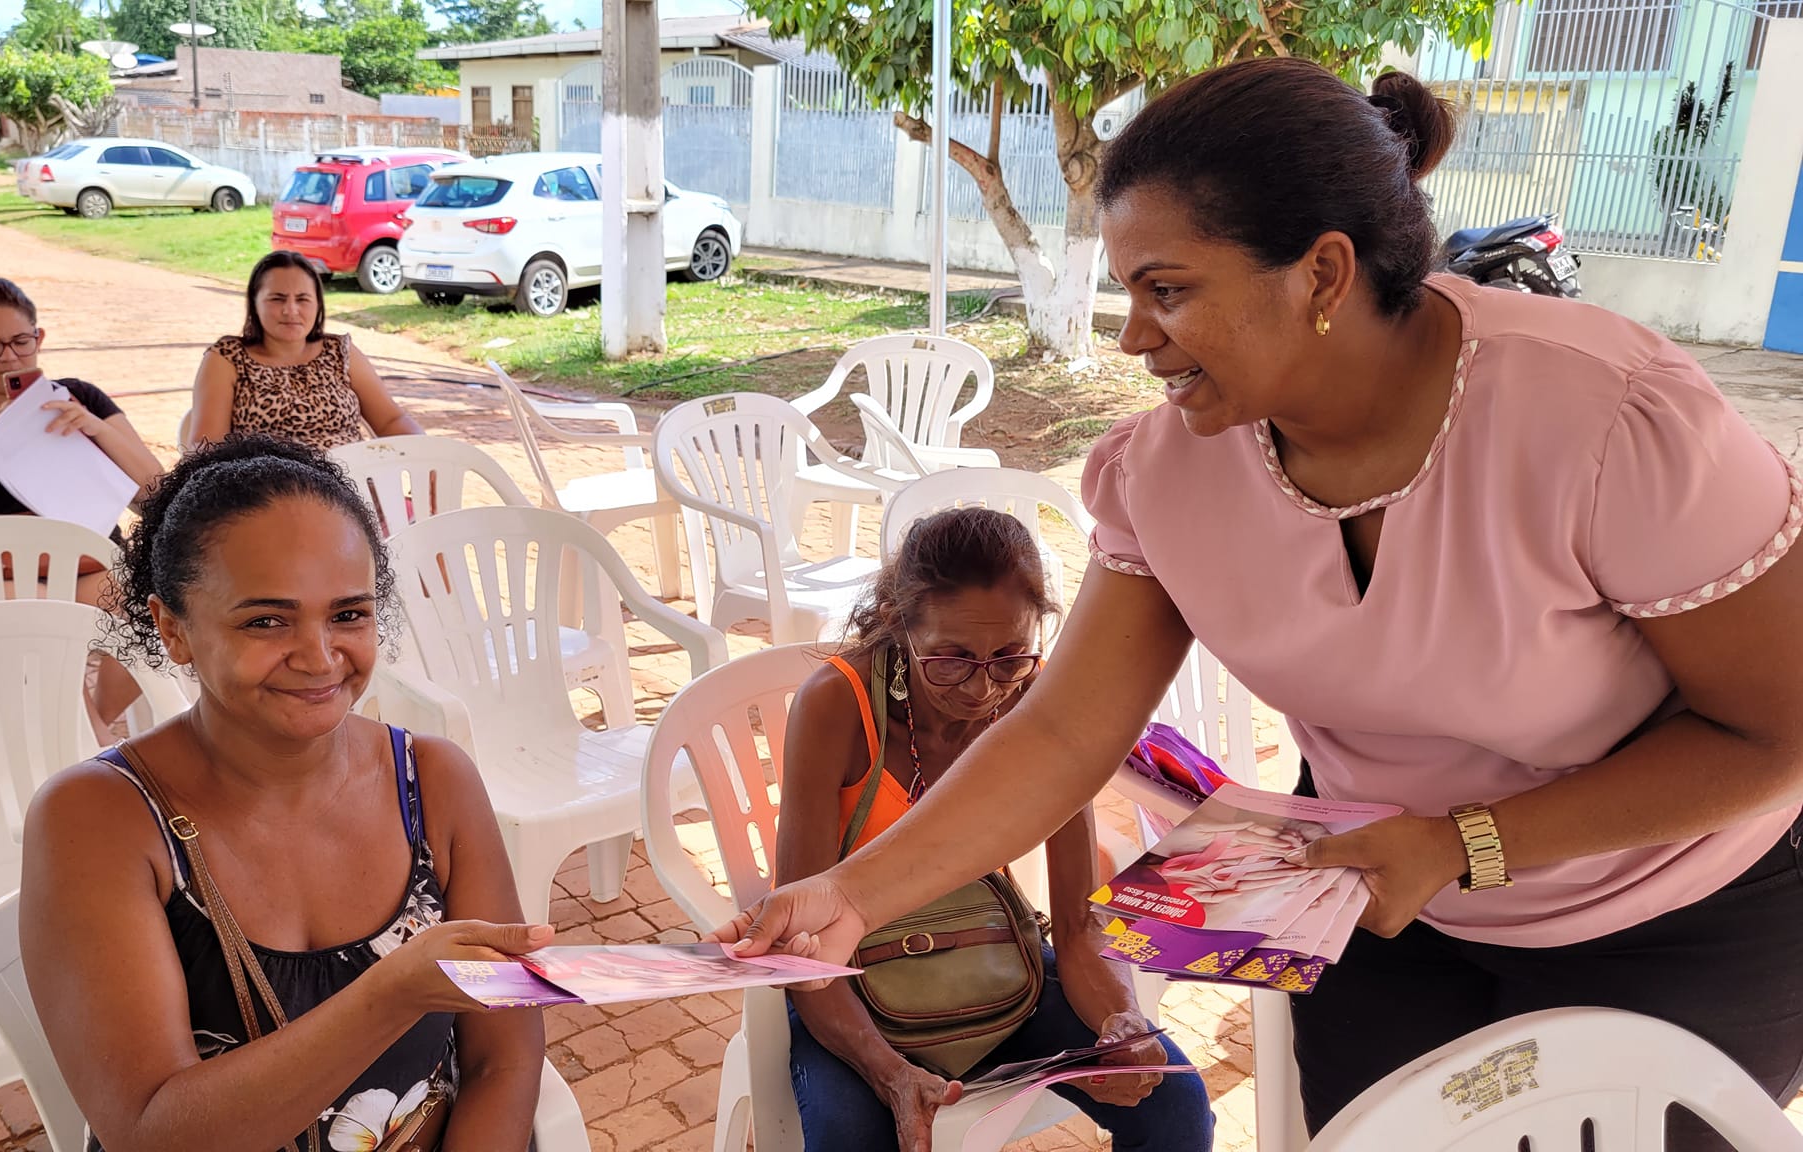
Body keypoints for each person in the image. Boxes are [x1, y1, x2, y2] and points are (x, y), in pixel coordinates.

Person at [716, 57, 1803, 1150]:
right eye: (1126, 291)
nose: (1132, 336)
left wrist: (1468, 841)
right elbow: (1061, 731)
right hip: (1383, 902)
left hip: (1672, 917)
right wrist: (851, 896)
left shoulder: (1609, 424)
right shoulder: (1168, 471)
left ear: (1321, 275)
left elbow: (1776, 732)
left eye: (1167, 289)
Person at [20, 434, 548, 1151]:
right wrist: (393, 993)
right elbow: (149, 1133)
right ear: (173, 629)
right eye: (266, 621)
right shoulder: (101, 820)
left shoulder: (435, 783)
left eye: (349, 615)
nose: (320, 656)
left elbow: (505, 1056)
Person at [777, 507, 1212, 1152]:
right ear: (902, 630)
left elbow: (1073, 924)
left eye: (1009, 655)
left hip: (993, 965)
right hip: (848, 982)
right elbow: (801, 943)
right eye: (951, 659)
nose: (983, 688)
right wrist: (891, 1073)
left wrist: (1120, 1021)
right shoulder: (838, 705)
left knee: (1173, 1103)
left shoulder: (1038, 703)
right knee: (852, 1138)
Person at [0, 274, 163, 725]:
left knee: (158, 602)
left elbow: (155, 494)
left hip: (87, 562)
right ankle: (96, 749)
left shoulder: (79, 397)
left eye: (21, 342)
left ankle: (95, 727)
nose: (9, 358)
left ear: (39, 338)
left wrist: (95, 429)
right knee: (38, 623)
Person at [189, 251, 423, 451]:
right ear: (255, 303)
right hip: (268, 495)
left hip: (354, 491)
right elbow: (206, 447)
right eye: (277, 299)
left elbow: (392, 420)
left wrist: (428, 456)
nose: (290, 310)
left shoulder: (340, 352)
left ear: (318, 304)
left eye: (302, 299)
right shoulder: (227, 358)